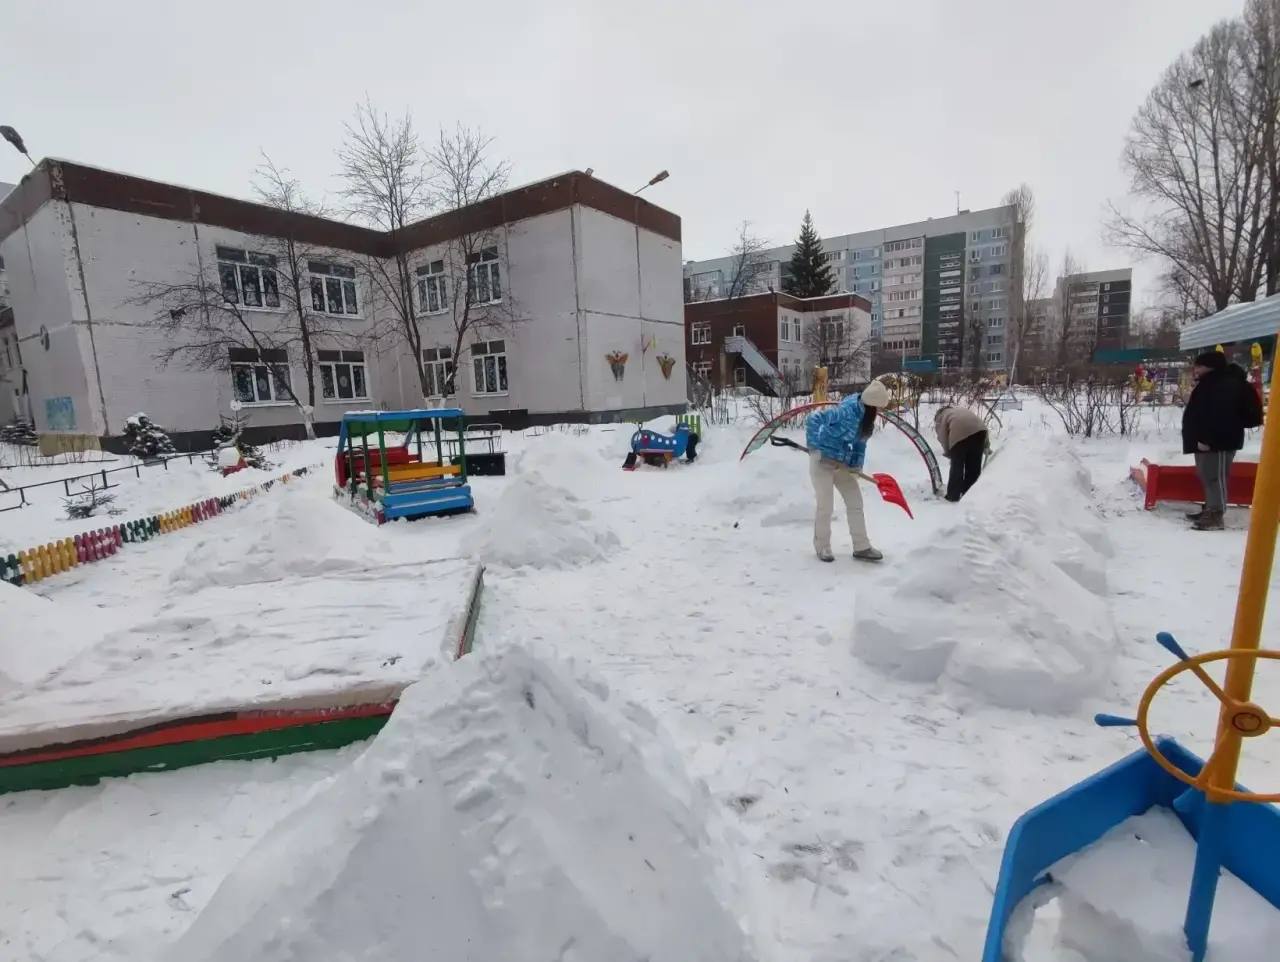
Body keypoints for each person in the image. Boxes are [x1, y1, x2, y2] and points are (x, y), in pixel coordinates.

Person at [805, 378, 890, 563]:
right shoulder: (846, 412)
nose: (880, 412)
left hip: (841, 462)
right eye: (879, 408)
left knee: (855, 501)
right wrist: (813, 446)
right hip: (822, 460)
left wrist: (856, 465)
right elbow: (813, 418)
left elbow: (860, 444)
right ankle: (823, 547)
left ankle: (862, 547)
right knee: (826, 505)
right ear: (872, 406)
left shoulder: (866, 418)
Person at [1182, 350, 1263, 531]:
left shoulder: (1223, 385)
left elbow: (1220, 415)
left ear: (1210, 366)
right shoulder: (1211, 382)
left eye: (1199, 366)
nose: (1196, 369)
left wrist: (1208, 439)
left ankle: (1216, 515)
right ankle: (1210, 508)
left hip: (1217, 441)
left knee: (1215, 477)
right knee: (1207, 475)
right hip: (1207, 440)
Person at [933, 404, 988, 502]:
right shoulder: (959, 410)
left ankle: (953, 496)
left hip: (959, 433)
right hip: (980, 432)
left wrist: (949, 453)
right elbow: (978, 425)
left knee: (957, 467)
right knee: (974, 467)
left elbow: (943, 437)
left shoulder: (940, 418)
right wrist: (986, 445)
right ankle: (970, 494)